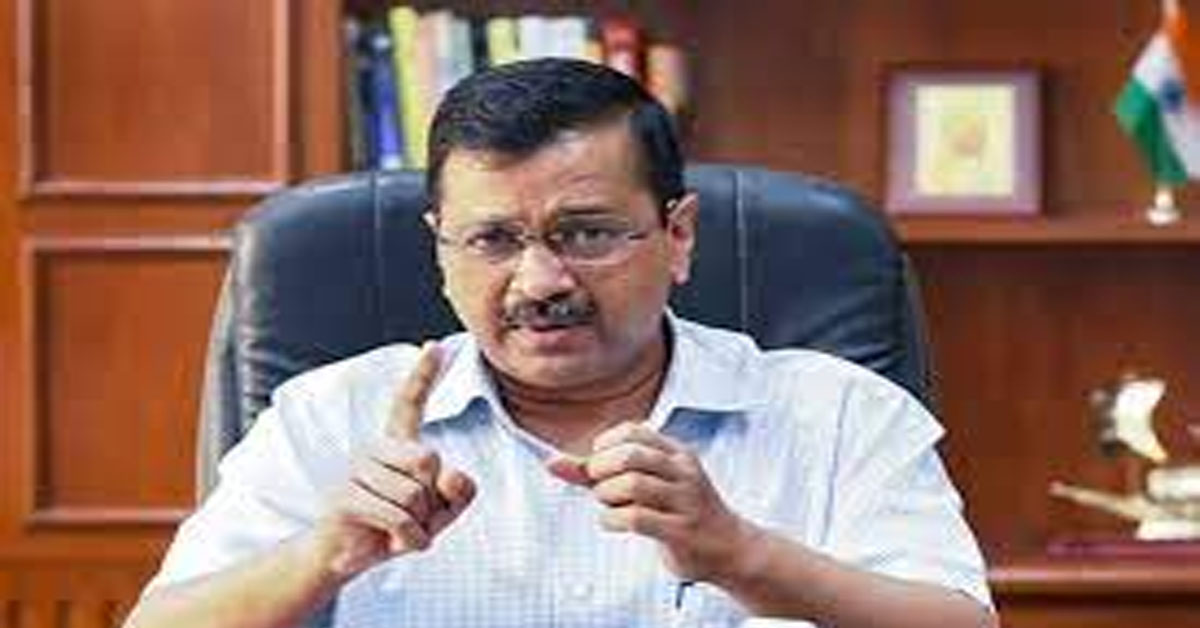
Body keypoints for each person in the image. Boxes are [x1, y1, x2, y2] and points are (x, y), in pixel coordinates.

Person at [124, 58, 995, 628]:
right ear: (441, 252)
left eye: (586, 234)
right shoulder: (334, 413)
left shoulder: (834, 411)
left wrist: (742, 555)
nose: (540, 281)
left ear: (679, 235)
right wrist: (325, 555)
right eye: (493, 240)